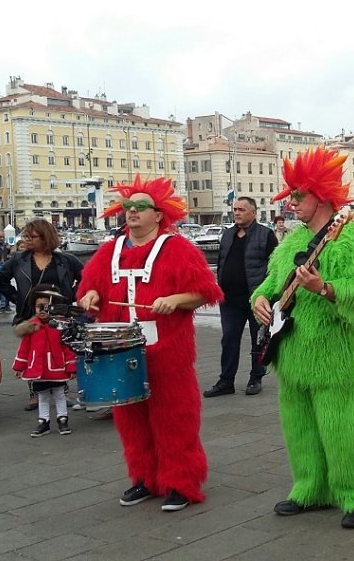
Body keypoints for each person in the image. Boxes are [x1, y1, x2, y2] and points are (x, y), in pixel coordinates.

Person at [251, 146, 354, 530]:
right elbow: (271, 285)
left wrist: (324, 287)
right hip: (292, 356)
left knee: (344, 427)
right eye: (290, 195)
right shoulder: (291, 243)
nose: (292, 203)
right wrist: (260, 299)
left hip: (336, 357)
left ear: (321, 194)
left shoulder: (351, 239)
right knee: (300, 428)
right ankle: (310, 487)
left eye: (298, 195)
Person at [77, 175, 223, 512]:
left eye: (140, 207)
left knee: (174, 417)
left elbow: (205, 293)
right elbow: (88, 289)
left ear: (158, 214)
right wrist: (92, 295)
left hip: (168, 351)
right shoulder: (110, 250)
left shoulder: (179, 248)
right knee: (130, 418)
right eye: (128, 207)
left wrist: (176, 299)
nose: (131, 212)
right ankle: (144, 477)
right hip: (121, 349)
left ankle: (180, 483)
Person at [0, 219, 83, 411]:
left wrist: (69, 298)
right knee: (34, 350)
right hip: (30, 313)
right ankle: (35, 391)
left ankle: (61, 388)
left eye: (32, 236)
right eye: (26, 235)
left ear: (45, 237)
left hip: (59, 315)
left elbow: (86, 277)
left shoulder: (65, 260)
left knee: (58, 350)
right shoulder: (19, 259)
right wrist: (17, 299)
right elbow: (0, 280)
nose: (27, 239)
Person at [204, 196, 277, 398]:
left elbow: (275, 268)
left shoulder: (266, 235)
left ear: (253, 213)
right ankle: (226, 381)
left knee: (258, 339)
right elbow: (222, 262)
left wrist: (267, 295)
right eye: (235, 209)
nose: (236, 212)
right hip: (229, 299)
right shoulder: (228, 234)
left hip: (255, 298)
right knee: (229, 338)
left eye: (241, 209)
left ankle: (256, 377)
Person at [12, 287, 77, 437]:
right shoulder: (31, 326)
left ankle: (62, 419)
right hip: (38, 368)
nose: (42, 310)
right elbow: (24, 349)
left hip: (57, 367)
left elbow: (67, 348)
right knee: (42, 396)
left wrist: (71, 367)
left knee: (60, 394)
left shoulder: (60, 325)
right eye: (38, 306)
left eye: (46, 306)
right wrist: (19, 366)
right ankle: (44, 422)